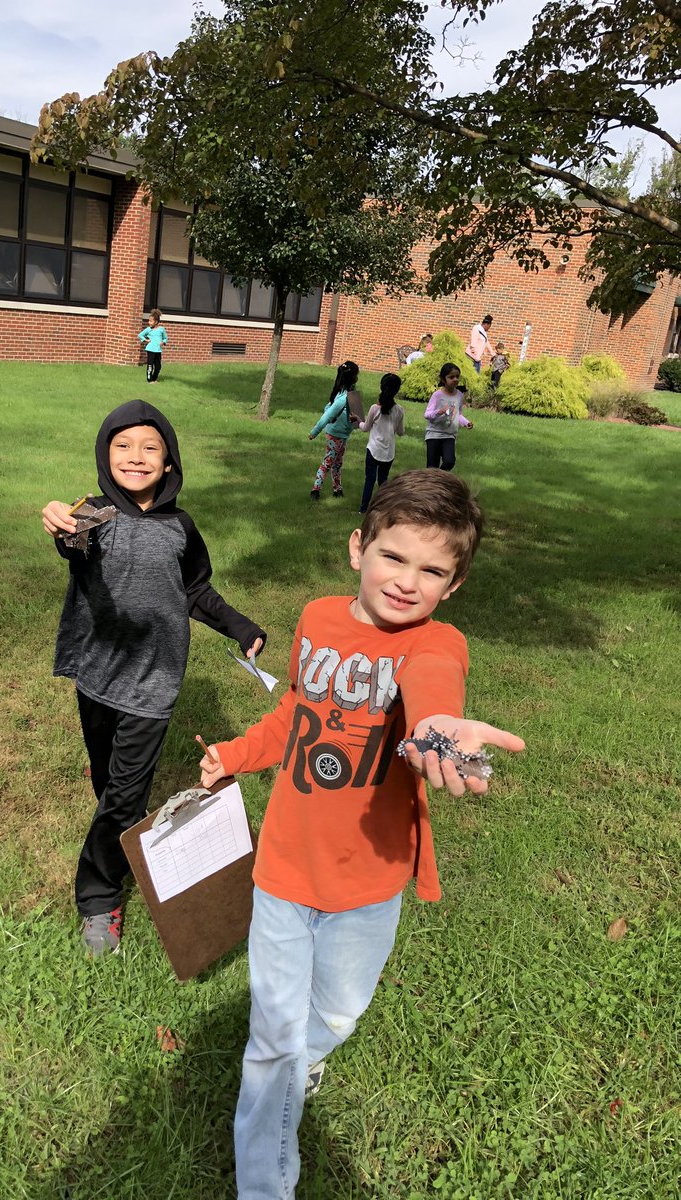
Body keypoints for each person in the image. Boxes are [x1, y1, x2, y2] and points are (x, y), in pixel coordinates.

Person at [198, 470, 525, 1200]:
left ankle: (305, 1057)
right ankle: (265, 1183)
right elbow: (295, 714)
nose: (408, 581)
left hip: (370, 880)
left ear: (455, 585)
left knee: (337, 1013)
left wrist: (437, 725)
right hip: (284, 866)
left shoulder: (438, 643)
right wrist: (236, 753)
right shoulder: (316, 618)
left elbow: (434, 684)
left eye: (433, 570)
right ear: (358, 547)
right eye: (394, 556)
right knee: (273, 1042)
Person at [41, 400, 266, 956]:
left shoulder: (180, 527)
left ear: (168, 462)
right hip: (96, 672)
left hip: (154, 678)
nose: (135, 457)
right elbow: (71, 544)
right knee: (110, 782)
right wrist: (58, 522)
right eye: (122, 446)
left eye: (150, 447)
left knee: (122, 793)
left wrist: (238, 626)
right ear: (104, 453)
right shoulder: (90, 514)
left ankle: (99, 898)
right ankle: (122, 827)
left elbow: (194, 589)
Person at [309, 360, 361, 501]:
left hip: (343, 435)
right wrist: (314, 432)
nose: (357, 377)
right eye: (356, 375)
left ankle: (337, 489)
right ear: (352, 377)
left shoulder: (347, 392)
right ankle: (315, 490)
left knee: (337, 463)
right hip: (335, 435)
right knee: (328, 462)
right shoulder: (343, 398)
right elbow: (327, 414)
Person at [358, 372, 405, 514]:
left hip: (373, 449)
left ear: (381, 387)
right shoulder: (399, 410)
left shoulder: (374, 408)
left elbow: (365, 428)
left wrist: (358, 421)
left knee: (370, 480)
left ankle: (363, 509)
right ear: (397, 390)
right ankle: (383, 508)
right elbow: (401, 431)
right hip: (389, 452)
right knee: (383, 480)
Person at [424, 362, 473, 471]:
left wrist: (466, 422)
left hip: (449, 435)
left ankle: (440, 478)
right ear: (443, 379)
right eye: (451, 377)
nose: (455, 379)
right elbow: (427, 414)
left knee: (449, 461)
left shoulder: (459, 395)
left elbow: (458, 414)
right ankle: (431, 483)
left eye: (457, 377)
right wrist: (438, 412)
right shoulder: (437, 395)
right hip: (434, 434)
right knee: (432, 467)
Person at [138, 309, 168, 383]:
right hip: (150, 350)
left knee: (158, 366)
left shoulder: (162, 329)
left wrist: (163, 342)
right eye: (149, 321)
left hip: (158, 350)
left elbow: (165, 338)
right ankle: (149, 380)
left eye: (151, 321)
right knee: (150, 365)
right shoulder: (148, 329)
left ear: (156, 322)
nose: (149, 322)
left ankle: (154, 378)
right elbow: (140, 335)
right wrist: (146, 340)